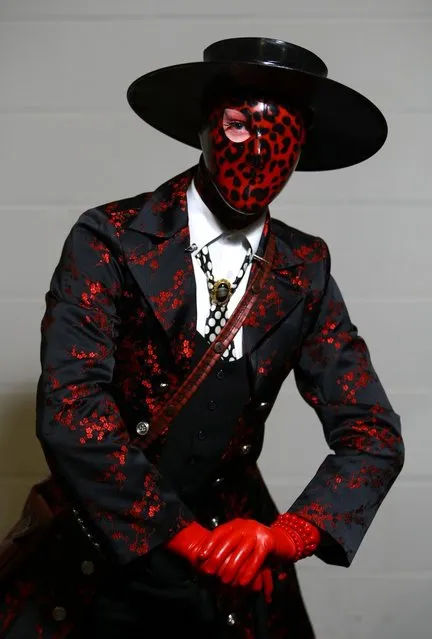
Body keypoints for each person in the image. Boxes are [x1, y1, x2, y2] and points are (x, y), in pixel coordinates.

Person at [0, 37, 404, 639]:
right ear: (204, 127)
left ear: (303, 149)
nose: (260, 150)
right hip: (97, 556)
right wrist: (185, 538)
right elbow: (71, 408)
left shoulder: (303, 266)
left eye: (282, 134)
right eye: (240, 125)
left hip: (236, 566)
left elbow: (372, 432)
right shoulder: (110, 238)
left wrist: (288, 534)